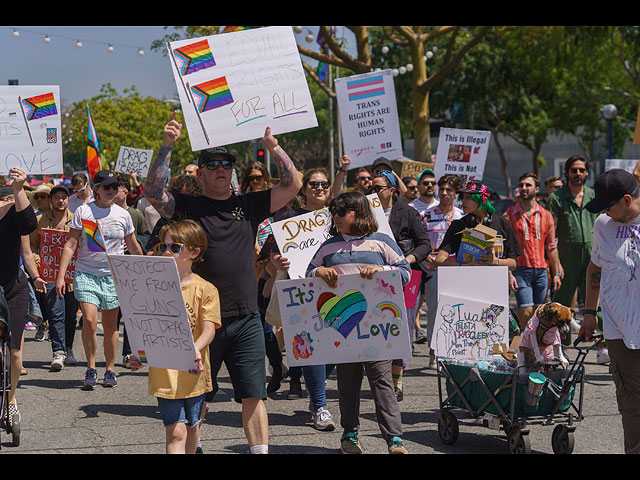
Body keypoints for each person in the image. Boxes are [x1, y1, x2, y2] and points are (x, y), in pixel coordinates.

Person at [143, 112, 302, 454]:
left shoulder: (248, 203)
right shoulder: (187, 205)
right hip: (199, 320)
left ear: (232, 171)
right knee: (196, 396)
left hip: (245, 317)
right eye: (212, 164)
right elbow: (153, 190)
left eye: (226, 164)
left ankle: (260, 452)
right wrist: (167, 144)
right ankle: (192, 448)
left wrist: (272, 146)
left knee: (254, 394)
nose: (220, 169)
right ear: (200, 173)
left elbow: (293, 185)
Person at [306, 191, 411, 454]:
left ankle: (394, 440)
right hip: (343, 329)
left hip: (378, 330)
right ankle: (349, 435)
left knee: (382, 382)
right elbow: (307, 274)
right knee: (347, 383)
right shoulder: (328, 246)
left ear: (359, 213)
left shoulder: (381, 242)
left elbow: (406, 274)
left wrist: (383, 270)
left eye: (342, 212)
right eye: (334, 212)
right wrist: (318, 271)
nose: (336, 217)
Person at [129, 219, 220, 454]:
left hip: (194, 373)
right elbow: (145, 328)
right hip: (165, 375)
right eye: (163, 247)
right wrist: (139, 355)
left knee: (192, 429)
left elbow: (208, 329)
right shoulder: (151, 288)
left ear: (194, 252)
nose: (167, 252)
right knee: (176, 431)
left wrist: (194, 350)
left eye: (175, 247)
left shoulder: (206, 289)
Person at [56, 170, 143, 389]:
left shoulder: (123, 215)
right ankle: (91, 367)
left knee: (111, 325)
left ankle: (110, 369)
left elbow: (133, 245)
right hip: (86, 274)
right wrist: (60, 276)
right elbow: (71, 244)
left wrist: (145, 271)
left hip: (113, 277)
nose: (112, 190)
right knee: (90, 319)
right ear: (96, 189)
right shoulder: (84, 211)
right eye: (107, 187)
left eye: (115, 186)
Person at [265, 167, 337, 430]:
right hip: (301, 289)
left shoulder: (337, 216)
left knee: (335, 347)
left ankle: (315, 391)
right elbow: (272, 255)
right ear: (304, 188)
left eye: (325, 184)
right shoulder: (290, 219)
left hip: (334, 288)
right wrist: (279, 260)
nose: (320, 188)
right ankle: (320, 404)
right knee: (312, 348)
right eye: (314, 184)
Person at [579, 168, 640, 454]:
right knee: (632, 406)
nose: (603, 211)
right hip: (620, 334)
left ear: (627, 200)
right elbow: (595, 267)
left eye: (608, 205)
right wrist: (590, 312)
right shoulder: (603, 224)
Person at [372, 171, 430, 401]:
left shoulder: (408, 213)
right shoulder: (365, 213)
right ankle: (380, 377)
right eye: (370, 189)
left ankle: (397, 381)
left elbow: (424, 244)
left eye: (378, 188)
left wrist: (406, 261)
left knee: (402, 327)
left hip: (405, 278)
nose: (373, 193)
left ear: (391, 191)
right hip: (374, 279)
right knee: (375, 327)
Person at [545, 156, 601, 352]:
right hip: (567, 259)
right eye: (574, 170)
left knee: (597, 299)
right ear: (567, 173)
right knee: (561, 304)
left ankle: (601, 343)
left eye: (582, 170)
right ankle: (561, 344)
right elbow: (551, 235)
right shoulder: (557, 198)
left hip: (593, 259)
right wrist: (556, 265)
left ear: (587, 173)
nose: (578, 174)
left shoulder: (594, 196)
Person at [0, 168, 38, 431]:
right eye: (6, 197)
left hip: (14, 287)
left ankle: (11, 399)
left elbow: (28, 225)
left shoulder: (16, 211)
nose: (9, 202)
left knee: (15, 354)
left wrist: (19, 189)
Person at [504, 173, 564, 329]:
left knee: (540, 313)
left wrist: (556, 273)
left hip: (541, 270)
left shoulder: (546, 215)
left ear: (537, 189)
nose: (524, 188)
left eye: (528, 185)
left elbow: (551, 246)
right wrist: (508, 273)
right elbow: (503, 246)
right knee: (525, 310)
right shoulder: (509, 214)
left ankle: (535, 348)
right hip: (519, 269)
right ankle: (519, 344)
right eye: (521, 185)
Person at [29, 185, 79, 370]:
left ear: (68, 200)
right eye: (56, 197)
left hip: (72, 276)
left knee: (71, 315)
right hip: (49, 274)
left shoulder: (77, 220)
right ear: (51, 200)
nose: (60, 201)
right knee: (56, 314)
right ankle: (58, 352)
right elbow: (32, 245)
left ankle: (68, 348)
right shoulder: (40, 220)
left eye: (64, 197)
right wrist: (37, 260)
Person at [420, 174, 464, 366]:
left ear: (456, 193)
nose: (444, 193)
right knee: (435, 312)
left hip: (457, 270)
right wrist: (428, 257)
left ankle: (453, 350)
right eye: (442, 189)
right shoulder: (427, 215)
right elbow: (420, 241)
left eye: (449, 190)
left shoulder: (462, 216)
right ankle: (435, 351)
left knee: (457, 311)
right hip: (434, 269)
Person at [435, 179, 521, 270]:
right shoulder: (458, 225)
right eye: (463, 197)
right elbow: (439, 260)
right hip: (466, 281)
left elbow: (513, 264)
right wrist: (462, 266)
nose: (463, 201)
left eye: (468, 197)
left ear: (481, 200)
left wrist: (496, 262)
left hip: (495, 282)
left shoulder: (502, 223)